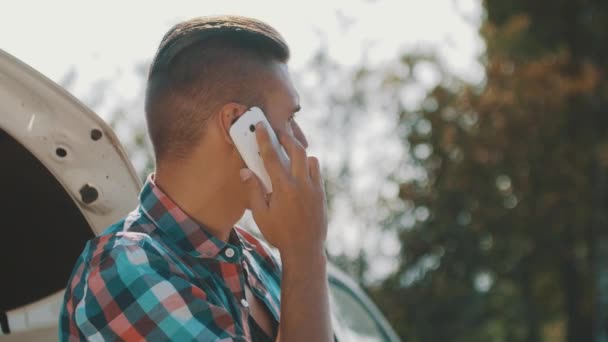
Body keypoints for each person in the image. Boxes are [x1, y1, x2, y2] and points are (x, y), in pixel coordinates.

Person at [59, 15, 333, 341]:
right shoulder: (122, 269)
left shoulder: (259, 260)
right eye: (290, 118)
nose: (302, 141)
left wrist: (303, 254)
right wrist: (305, 252)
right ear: (238, 123)